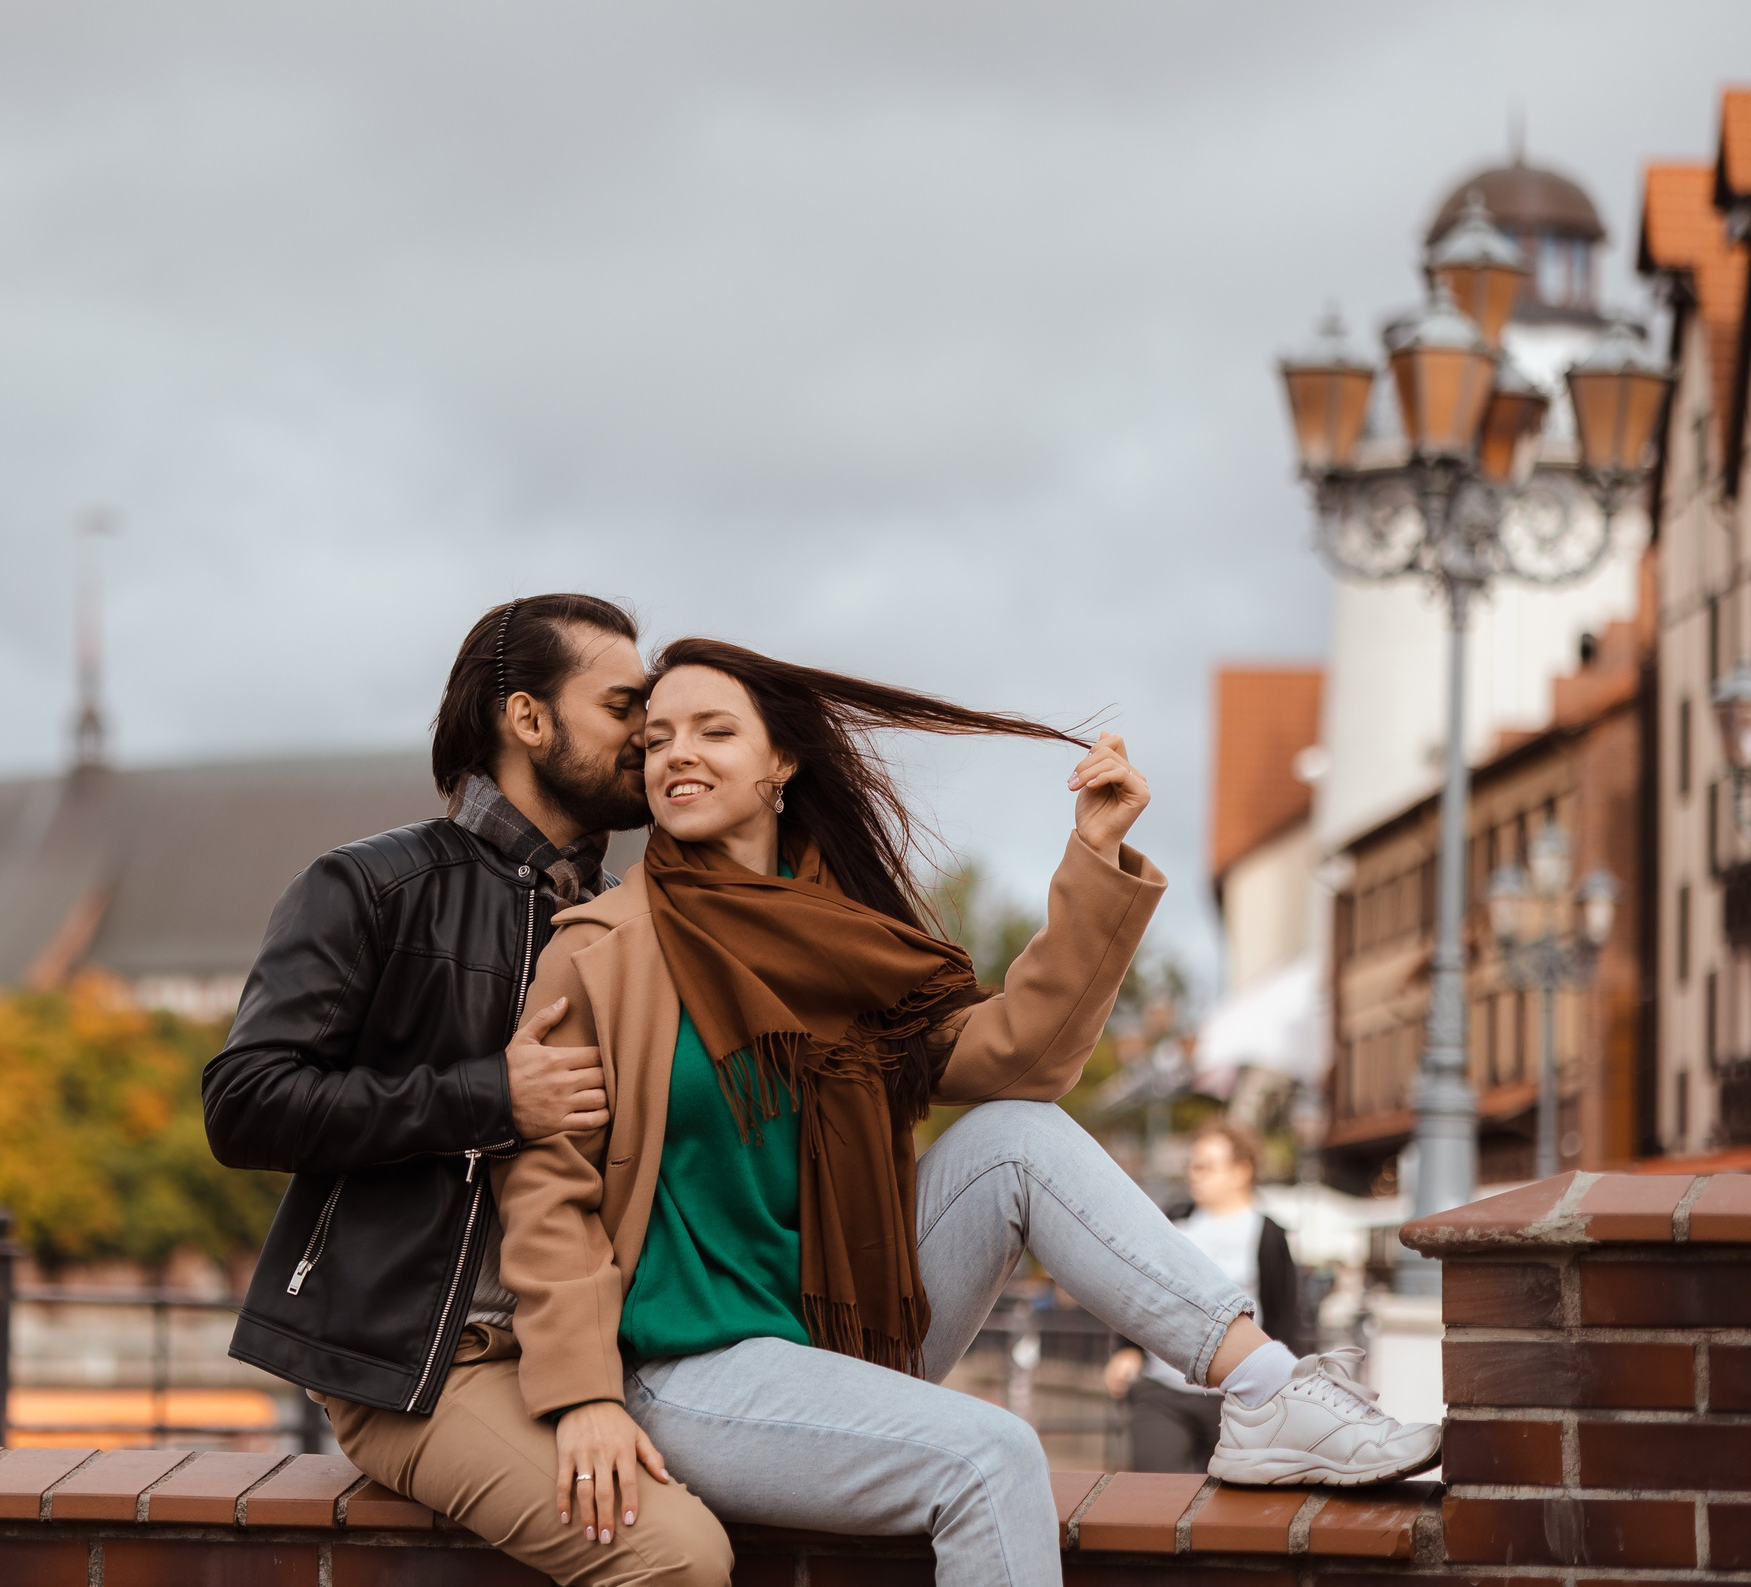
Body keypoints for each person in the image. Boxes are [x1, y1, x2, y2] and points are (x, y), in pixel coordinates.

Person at [494, 640, 1442, 1587]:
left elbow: (1021, 1055)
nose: (677, 755)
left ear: (781, 762)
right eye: (657, 738)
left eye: (713, 730)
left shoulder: (843, 940)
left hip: (844, 1336)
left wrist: (1095, 857)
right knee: (991, 1453)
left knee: (1012, 1138)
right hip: (692, 1368)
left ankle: (1267, 1389)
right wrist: (583, 1395)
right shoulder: (602, 952)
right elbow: (549, 1191)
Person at [207, 594, 723, 1583]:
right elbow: (244, 1101)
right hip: (428, 1367)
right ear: (526, 719)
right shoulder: (372, 887)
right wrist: (489, 1098)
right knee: (675, 1559)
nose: (646, 737)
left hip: (605, 1348)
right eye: (623, 707)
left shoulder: (627, 919)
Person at [1103, 1120, 1314, 1474]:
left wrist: (1283, 1386)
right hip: (1163, 1393)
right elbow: (1141, 1288)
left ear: (1240, 1171)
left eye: (1206, 1166)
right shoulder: (1174, 1220)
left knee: (1226, 1512)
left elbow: (1283, 1315)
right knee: (1154, 1495)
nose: (1193, 1174)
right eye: (1192, 1165)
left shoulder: (1267, 1233)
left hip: (1238, 1401)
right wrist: (1126, 1350)